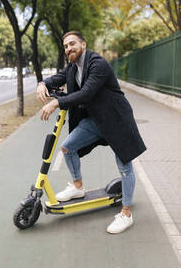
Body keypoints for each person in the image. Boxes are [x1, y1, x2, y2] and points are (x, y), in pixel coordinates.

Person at [36, 31, 146, 234]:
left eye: (72, 44)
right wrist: (43, 84)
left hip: (115, 120)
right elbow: (57, 78)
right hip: (95, 120)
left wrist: (56, 103)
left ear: (83, 44)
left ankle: (126, 214)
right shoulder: (72, 67)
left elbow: (87, 92)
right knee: (68, 147)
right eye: (66, 46)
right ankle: (78, 187)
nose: (69, 48)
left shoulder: (98, 64)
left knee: (125, 167)